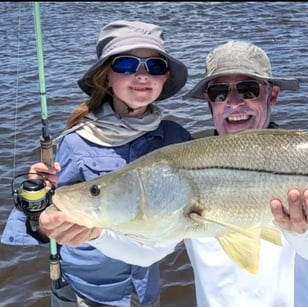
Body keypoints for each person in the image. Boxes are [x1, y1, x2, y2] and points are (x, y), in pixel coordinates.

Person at [86, 40, 308, 307]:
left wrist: (305, 229)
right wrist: (93, 233)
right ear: (209, 101)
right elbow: (147, 252)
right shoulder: (183, 168)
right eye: (220, 93)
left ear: (272, 95)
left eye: (249, 90)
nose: (235, 103)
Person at [2, 20, 191, 307]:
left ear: (164, 78)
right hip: (87, 290)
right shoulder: (75, 142)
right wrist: (40, 206)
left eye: (154, 66)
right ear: (106, 77)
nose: (142, 75)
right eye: (127, 65)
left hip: (146, 286)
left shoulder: (176, 138)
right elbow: (39, 227)